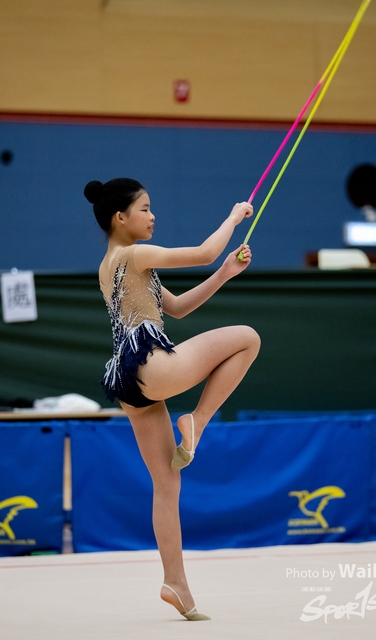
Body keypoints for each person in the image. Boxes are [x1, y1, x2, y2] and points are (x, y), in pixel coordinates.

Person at [84, 177, 260, 621]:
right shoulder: (134, 254)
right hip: (151, 363)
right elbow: (203, 252)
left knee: (167, 484)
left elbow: (177, 308)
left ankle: (175, 583)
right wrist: (234, 218)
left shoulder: (112, 264)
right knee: (248, 338)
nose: (152, 215)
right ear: (119, 217)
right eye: (144, 208)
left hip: (128, 380)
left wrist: (225, 273)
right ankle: (198, 419)